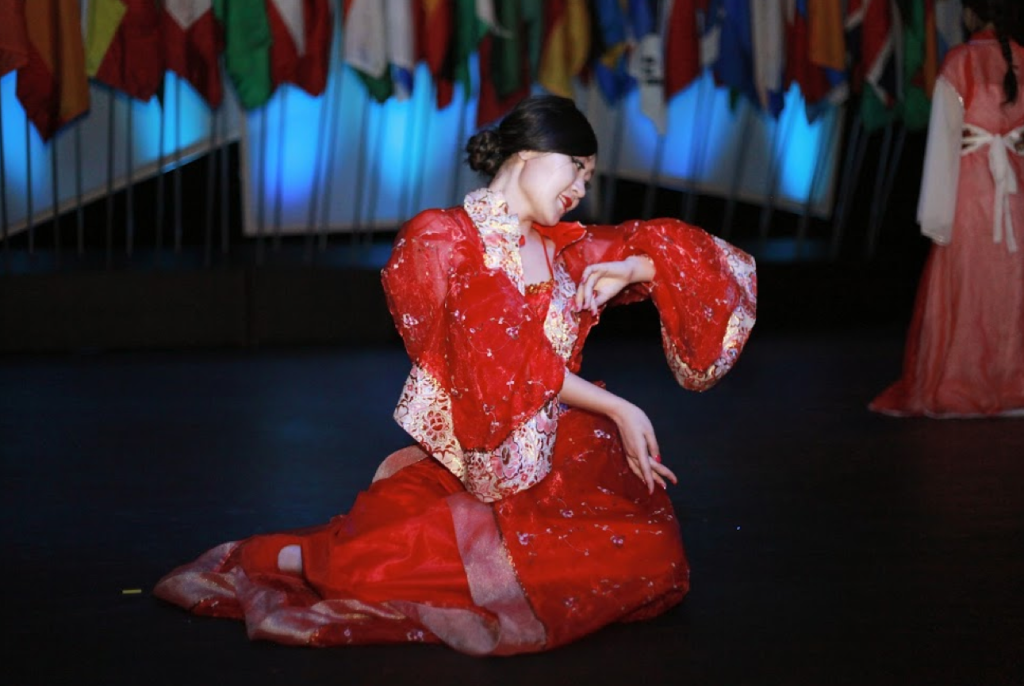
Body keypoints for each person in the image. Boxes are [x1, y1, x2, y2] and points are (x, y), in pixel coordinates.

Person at [154, 95, 757, 654]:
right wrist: (621, 408)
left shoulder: (568, 247)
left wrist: (631, 265)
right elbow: (502, 356)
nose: (580, 186)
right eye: (573, 166)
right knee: (375, 572)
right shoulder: (443, 240)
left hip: (561, 457)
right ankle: (301, 557)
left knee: (651, 562)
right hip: (474, 463)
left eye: (589, 176)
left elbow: (699, 259)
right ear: (525, 154)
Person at [870, 0, 1024, 418]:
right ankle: (1010, 382)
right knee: (1009, 286)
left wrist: (934, 215)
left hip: (972, 189)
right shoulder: (1021, 59)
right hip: (1014, 191)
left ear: (972, 14)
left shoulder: (959, 62)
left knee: (967, 283)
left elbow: (943, 143)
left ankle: (962, 383)